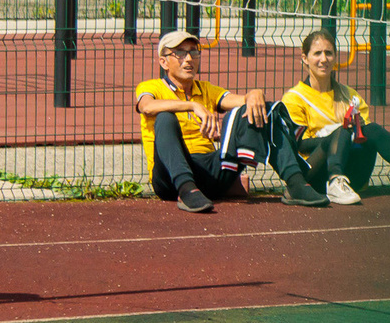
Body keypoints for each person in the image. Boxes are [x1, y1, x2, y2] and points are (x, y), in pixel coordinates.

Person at [134, 28, 324, 212]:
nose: (189, 59)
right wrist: (192, 105)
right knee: (165, 119)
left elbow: (241, 101)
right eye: (180, 53)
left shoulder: (206, 89)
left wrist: (254, 94)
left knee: (261, 109)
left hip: (210, 172)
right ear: (164, 62)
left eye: (193, 52)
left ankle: (295, 182)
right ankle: (186, 189)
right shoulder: (151, 87)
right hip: (168, 177)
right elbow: (147, 107)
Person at [281, 29, 390, 203]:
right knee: (342, 131)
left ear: (335, 57)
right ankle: (334, 181)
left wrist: (353, 134)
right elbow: (298, 145)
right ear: (305, 58)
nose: (323, 59)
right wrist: (335, 137)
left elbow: (367, 136)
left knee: (372, 129)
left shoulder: (349, 95)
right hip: (314, 174)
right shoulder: (294, 98)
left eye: (329, 53)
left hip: (353, 173)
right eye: (317, 53)